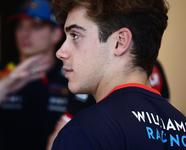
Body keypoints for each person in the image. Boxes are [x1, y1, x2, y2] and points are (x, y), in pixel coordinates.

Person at [51, 0, 186, 149]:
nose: (60, 52)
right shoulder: (182, 126)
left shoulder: (85, 130)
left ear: (120, 42)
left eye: (75, 35)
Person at [0, 0, 95, 150]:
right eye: (20, 26)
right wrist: (5, 84)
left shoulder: (73, 76)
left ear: (56, 34)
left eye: (35, 27)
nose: (25, 34)